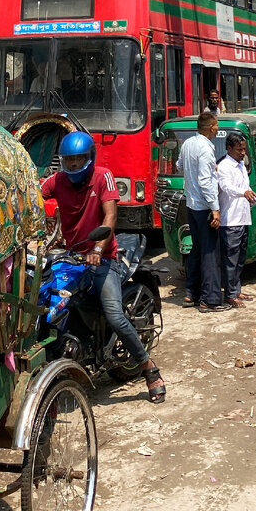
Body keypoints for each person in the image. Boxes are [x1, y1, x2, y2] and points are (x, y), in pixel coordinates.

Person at [42, 132, 165, 402]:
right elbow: (35, 194)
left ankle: (148, 367)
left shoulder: (102, 175)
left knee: (114, 315)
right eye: (69, 161)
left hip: (103, 257)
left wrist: (98, 249)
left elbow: (110, 214)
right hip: (72, 256)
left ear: (90, 158)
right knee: (45, 303)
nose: (74, 166)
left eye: (79, 160)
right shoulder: (58, 180)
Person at [216, 133, 256, 308]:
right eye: (239, 149)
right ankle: (230, 294)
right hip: (230, 219)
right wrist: (244, 193)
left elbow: (246, 188)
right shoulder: (224, 166)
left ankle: (237, 289)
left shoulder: (241, 165)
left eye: (244, 149)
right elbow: (227, 187)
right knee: (230, 259)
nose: (242, 153)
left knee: (240, 258)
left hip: (243, 217)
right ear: (229, 148)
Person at [176, 109, 223, 311]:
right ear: (211, 127)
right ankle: (209, 299)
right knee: (210, 253)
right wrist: (215, 209)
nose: (217, 130)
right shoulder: (205, 148)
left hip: (191, 205)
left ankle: (190, 294)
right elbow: (205, 182)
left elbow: (179, 166)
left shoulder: (188, 144)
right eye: (216, 127)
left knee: (196, 249)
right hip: (204, 206)